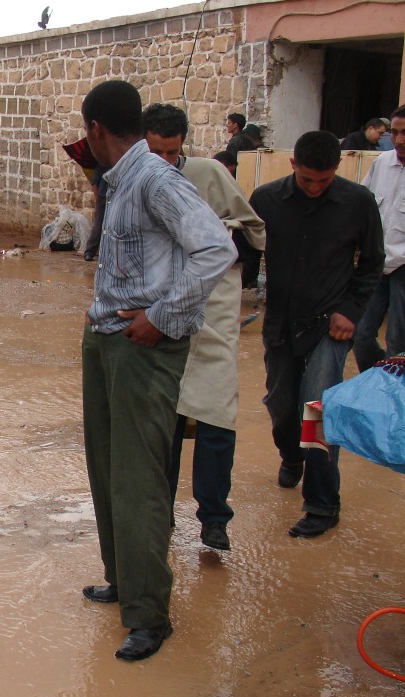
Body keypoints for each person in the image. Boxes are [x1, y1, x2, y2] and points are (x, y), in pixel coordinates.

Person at [79, 81, 236, 661]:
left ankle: (150, 617)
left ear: (96, 128)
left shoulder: (156, 180)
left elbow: (216, 248)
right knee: (105, 464)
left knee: (140, 479)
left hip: (145, 347)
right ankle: (123, 581)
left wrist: (164, 317)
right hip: (105, 338)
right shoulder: (118, 181)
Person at [142, 103, 266, 552]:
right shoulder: (131, 178)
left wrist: (220, 230)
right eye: (155, 152)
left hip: (212, 313)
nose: (165, 163)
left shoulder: (209, 174)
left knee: (216, 415)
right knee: (164, 421)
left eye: (172, 153)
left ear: (183, 146)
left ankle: (214, 520)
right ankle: (160, 517)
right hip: (158, 314)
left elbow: (253, 229)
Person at [249, 131, 383, 538]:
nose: (314, 188)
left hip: (330, 323)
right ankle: (291, 455)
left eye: (324, 181)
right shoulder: (266, 200)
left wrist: (351, 311)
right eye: (307, 179)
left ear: (336, 170)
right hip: (280, 322)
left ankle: (322, 505)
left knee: (319, 410)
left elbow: (372, 264)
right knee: (281, 403)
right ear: (293, 165)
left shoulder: (358, 202)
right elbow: (241, 253)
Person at [353, 104, 405, 372]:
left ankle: (395, 404)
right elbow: (363, 205)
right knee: (361, 335)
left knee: (399, 342)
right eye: (394, 133)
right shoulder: (382, 163)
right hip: (377, 262)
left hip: (403, 268)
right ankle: (379, 383)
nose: (398, 140)